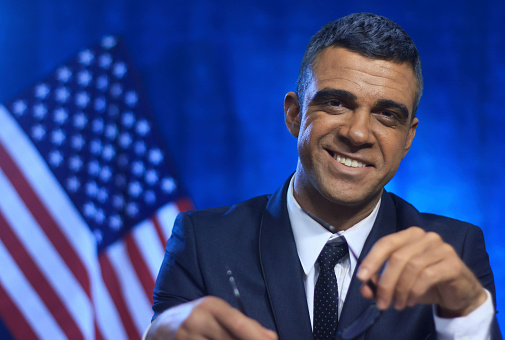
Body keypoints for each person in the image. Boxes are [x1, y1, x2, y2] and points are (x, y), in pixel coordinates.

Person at [146, 13, 502, 340]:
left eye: (387, 115)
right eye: (336, 103)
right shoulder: (202, 242)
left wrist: (468, 313)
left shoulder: (456, 251)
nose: (358, 134)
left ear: (408, 138)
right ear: (294, 115)